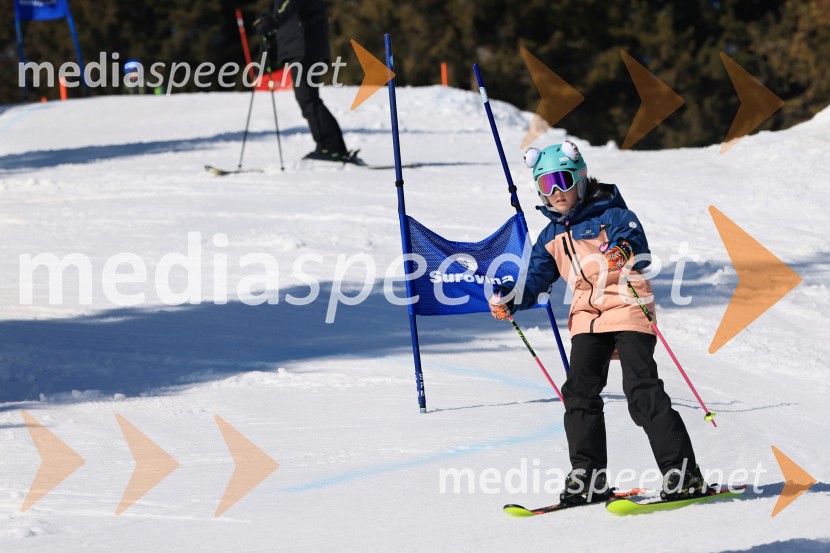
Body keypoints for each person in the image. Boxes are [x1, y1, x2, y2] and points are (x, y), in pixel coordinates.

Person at [488, 141, 710, 505]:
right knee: (578, 392)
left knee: (641, 390)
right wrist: (511, 299)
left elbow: (634, 238)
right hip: (587, 318)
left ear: (579, 178)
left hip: (626, 302)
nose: (557, 192)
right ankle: (587, 475)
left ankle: (682, 472)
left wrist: (624, 250)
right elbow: (536, 279)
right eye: (546, 185)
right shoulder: (550, 235)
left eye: (562, 180)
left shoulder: (612, 213)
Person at [254, 0, 357, 163]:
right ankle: (333, 146)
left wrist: (273, 21)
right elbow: (282, 9)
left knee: (308, 99)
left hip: (304, 47)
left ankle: (330, 147)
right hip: (300, 46)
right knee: (309, 99)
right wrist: (268, 19)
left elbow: (290, 5)